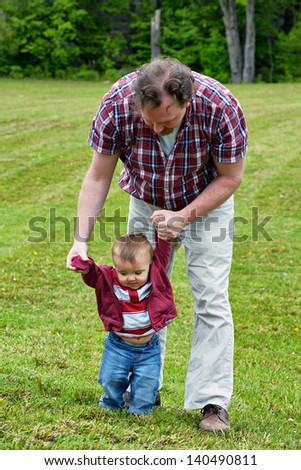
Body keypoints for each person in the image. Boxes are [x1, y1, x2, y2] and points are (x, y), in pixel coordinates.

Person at [67, 57, 248, 432]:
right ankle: (146, 388)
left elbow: (231, 178)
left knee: (211, 296)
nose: (155, 127)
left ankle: (211, 401)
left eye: (166, 121)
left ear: (186, 100)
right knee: (143, 291)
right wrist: (80, 241)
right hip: (147, 201)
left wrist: (184, 216)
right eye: (148, 120)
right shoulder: (116, 105)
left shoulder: (220, 106)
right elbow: (99, 176)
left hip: (206, 201)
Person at [71, 232, 177, 415]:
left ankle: (140, 411)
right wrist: (84, 265)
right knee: (110, 379)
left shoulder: (155, 276)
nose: (131, 278)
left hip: (149, 348)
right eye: (123, 273)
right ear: (115, 268)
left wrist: (164, 235)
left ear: (150, 266)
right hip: (118, 346)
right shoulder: (109, 279)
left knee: (147, 383)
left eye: (138, 272)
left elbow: (163, 253)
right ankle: (111, 404)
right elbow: (92, 275)